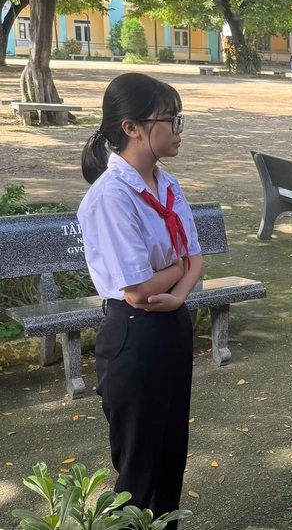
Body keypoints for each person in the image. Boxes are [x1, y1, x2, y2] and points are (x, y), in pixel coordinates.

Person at [77, 73, 203, 529]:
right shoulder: (112, 197)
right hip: (134, 332)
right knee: (137, 469)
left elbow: (196, 258)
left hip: (172, 322)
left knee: (171, 456)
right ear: (132, 128)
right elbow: (137, 290)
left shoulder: (167, 185)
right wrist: (176, 271)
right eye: (169, 119)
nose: (178, 130)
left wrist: (178, 293)